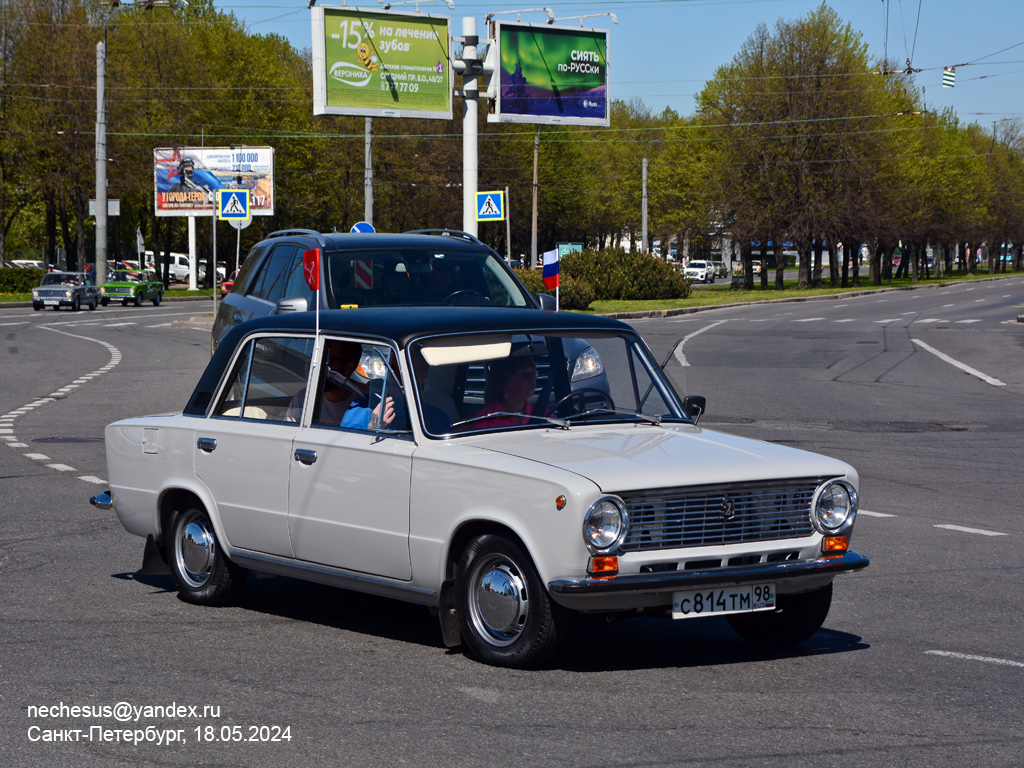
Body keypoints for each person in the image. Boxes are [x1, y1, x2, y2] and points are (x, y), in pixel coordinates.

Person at [287, 340, 395, 429]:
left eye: (327, 361)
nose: (318, 367)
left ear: (348, 367)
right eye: (317, 359)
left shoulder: (371, 401)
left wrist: (374, 427)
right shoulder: (303, 399)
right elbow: (289, 440)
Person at [472, 355, 539, 428]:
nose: (533, 381)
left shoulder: (544, 415)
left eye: (534, 374)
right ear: (503, 380)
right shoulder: (486, 420)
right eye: (526, 375)